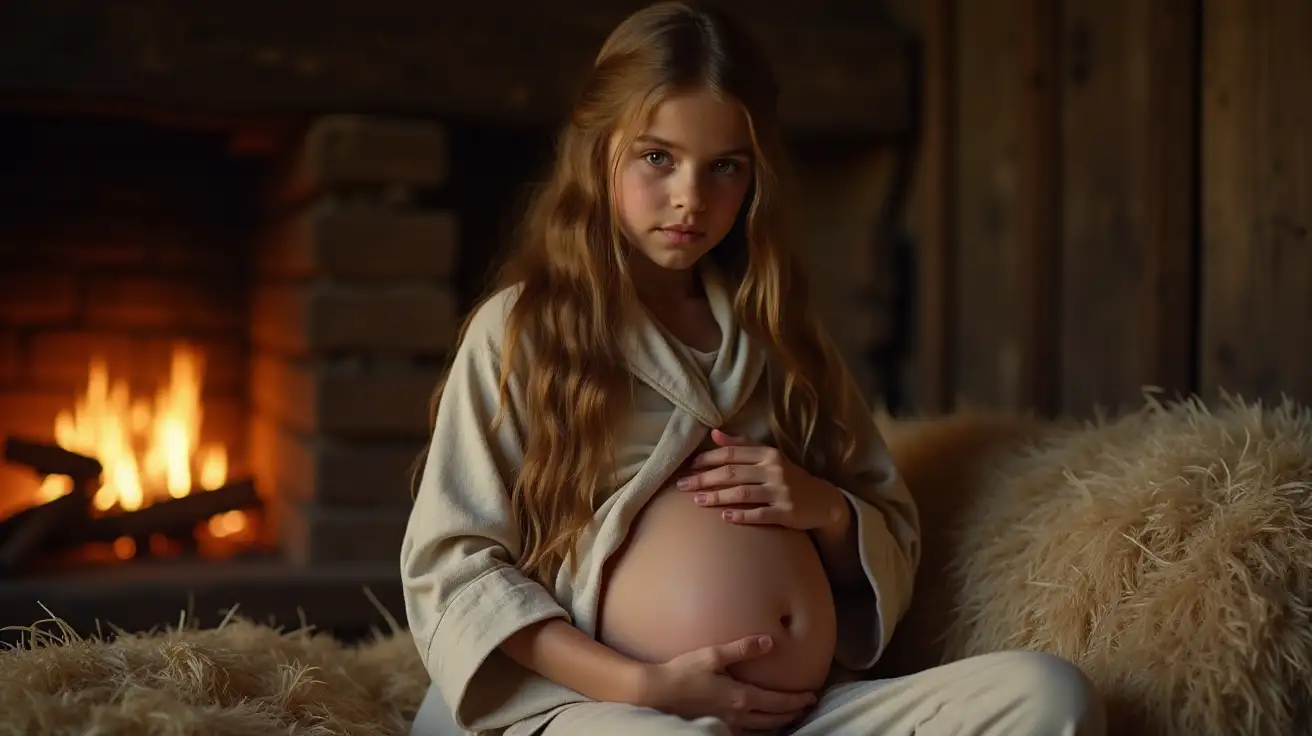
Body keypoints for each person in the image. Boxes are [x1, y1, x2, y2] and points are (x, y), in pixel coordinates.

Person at [401, 2, 1106, 735]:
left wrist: (826, 511)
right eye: (657, 158)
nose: (690, 199)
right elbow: (453, 568)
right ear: (597, 151)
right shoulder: (522, 333)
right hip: (610, 710)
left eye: (724, 168)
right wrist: (642, 685)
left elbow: (890, 526)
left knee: (1051, 696)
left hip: (800, 716)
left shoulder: (780, 340)